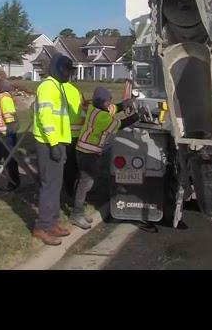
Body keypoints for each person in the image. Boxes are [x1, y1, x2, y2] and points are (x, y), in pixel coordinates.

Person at [70, 87, 138, 229]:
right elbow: (120, 124)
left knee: (84, 181)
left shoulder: (92, 108)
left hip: (82, 150)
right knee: (86, 183)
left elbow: (112, 109)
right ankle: (76, 214)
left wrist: (125, 103)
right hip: (88, 152)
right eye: (108, 101)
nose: (109, 103)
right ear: (101, 102)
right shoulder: (102, 117)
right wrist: (138, 116)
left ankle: (78, 211)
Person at [32, 54, 74, 246]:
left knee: (55, 186)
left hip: (58, 142)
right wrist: (53, 144)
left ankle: (53, 222)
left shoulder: (57, 86)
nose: (69, 74)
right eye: (67, 70)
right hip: (49, 143)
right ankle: (42, 227)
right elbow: (45, 117)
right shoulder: (48, 87)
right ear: (58, 69)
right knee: (49, 186)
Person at [62, 77, 86, 203]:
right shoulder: (75, 91)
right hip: (77, 135)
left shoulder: (55, 89)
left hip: (63, 135)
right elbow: (81, 112)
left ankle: (70, 193)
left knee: (68, 167)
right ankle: (74, 195)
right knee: (75, 167)